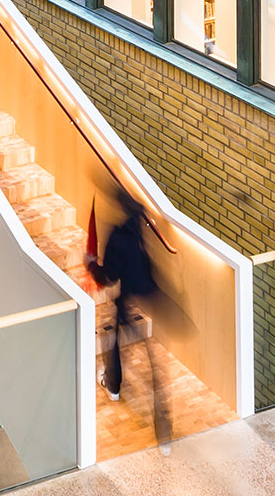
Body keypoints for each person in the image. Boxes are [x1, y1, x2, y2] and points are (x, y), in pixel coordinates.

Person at [96, 192, 172, 451]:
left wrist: (94, 267)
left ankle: (114, 384)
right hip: (146, 291)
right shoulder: (140, 224)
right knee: (152, 361)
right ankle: (163, 431)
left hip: (128, 297)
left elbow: (110, 275)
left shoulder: (118, 234)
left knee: (114, 338)